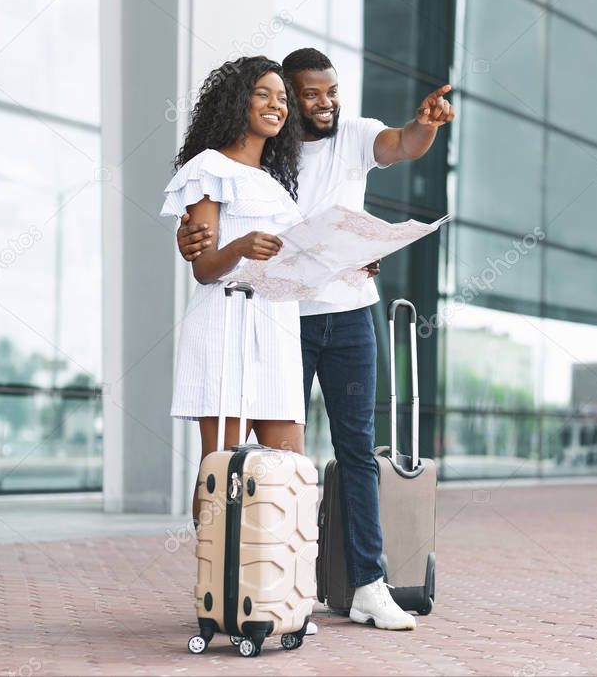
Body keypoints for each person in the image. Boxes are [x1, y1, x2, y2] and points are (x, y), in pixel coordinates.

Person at [175, 47, 454, 631]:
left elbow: (401, 144)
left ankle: (357, 585)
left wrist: (422, 128)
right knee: (244, 459)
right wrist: (200, 238)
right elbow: (215, 242)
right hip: (277, 319)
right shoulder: (267, 164)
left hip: (345, 313)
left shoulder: (343, 140)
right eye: (304, 94)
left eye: (327, 92)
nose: (321, 103)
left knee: (345, 452)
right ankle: (230, 587)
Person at [160, 55, 306, 537]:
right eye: (263, 93)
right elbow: (203, 269)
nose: (276, 105)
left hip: (277, 328)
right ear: (237, 101)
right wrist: (241, 248)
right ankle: (216, 592)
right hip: (226, 327)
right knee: (222, 469)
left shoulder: (277, 186)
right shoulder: (208, 168)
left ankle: (276, 593)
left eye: (282, 98)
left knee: (289, 474)